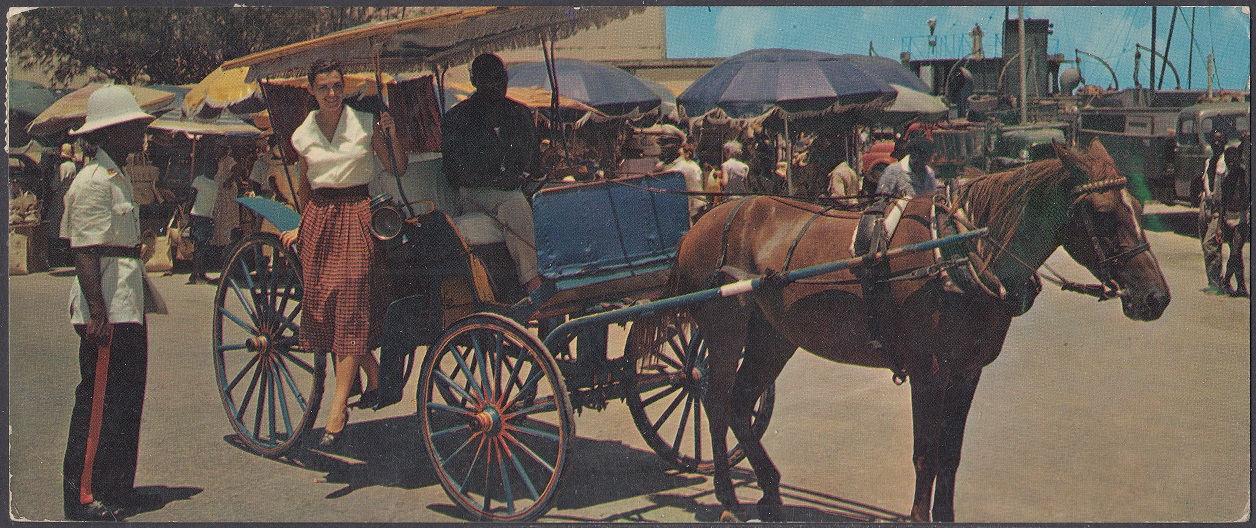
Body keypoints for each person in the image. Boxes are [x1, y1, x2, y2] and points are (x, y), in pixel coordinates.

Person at [281, 58, 407, 447]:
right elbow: (305, 185)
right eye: (324, 88)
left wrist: (391, 134)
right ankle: (373, 371)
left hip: (357, 212)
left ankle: (337, 409)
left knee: (351, 298)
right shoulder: (303, 134)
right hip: (319, 217)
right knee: (326, 304)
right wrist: (300, 225)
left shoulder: (365, 124)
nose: (332, 93)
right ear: (311, 91)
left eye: (337, 86)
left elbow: (398, 167)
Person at [59, 84, 160, 521]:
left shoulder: (119, 177)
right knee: (98, 403)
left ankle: (115, 488)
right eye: (132, 127)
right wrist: (97, 312)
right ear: (109, 132)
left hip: (128, 304)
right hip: (106, 310)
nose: (140, 134)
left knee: (125, 400)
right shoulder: (92, 181)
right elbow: (84, 251)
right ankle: (82, 496)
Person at [442, 52, 541, 294]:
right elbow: (455, 173)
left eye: (501, 77)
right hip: (474, 192)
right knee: (514, 203)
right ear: (475, 81)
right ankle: (532, 280)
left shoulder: (520, 113)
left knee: (550, 199)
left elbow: (534, 161)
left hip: (516, 188)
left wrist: (527, 178)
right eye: (490, 78)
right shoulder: (457, 118)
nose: (498, 83)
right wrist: (496, 181)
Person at [1200, 131, 1231, 293]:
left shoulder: (1226, 163)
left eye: (1220, 140)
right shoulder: (1209, 161)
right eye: (1214, 141)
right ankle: (1213, 281)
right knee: (1205, 243)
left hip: (1219, 208)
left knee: (1210, 244)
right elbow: (1205, 180)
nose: (1216, 143)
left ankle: (1216, 282)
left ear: (1225, 142)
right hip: (1206, 205)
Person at [186, 144, 221, 285]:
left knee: (204, 247)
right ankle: (195, 274)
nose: (213, 170)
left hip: (208, 217)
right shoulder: (199, 180)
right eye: (211, 167)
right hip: (198, 216)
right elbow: (192, 197)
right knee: (198, 247)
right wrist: (188, 214)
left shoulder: (215, 184)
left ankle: (200, 273)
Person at [656, 125, 705, 221]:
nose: (663, 146)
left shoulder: (688, 168)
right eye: (662, 142)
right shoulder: (660, 167)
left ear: (677, 144)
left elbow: (698, 204)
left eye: (667, 142)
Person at [875, 135, 939, 199]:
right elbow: (880, 200)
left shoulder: (930, 173)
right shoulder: (893, 171)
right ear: (914, 155)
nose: (931, 161)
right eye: (924, 157)